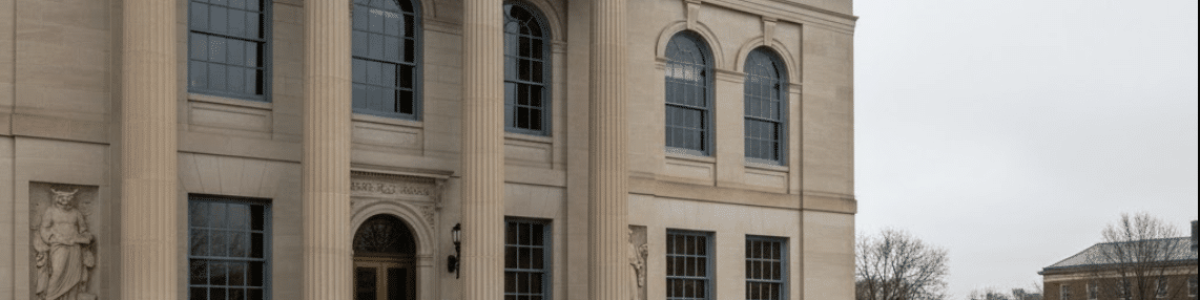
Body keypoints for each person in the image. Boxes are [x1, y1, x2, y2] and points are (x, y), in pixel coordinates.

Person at [34, 188, 95, 300]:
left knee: (74, 276)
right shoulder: (51, 211)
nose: (65, 200)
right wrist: (54, 238)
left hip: (74, 247)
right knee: (58, 273)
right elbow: (44, 229)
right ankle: (50, 297)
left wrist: (87, 237)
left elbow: (83, 230)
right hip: (59, 246)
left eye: (68, 197)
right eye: (63, 197)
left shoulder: (76, 213)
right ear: (58, 198)